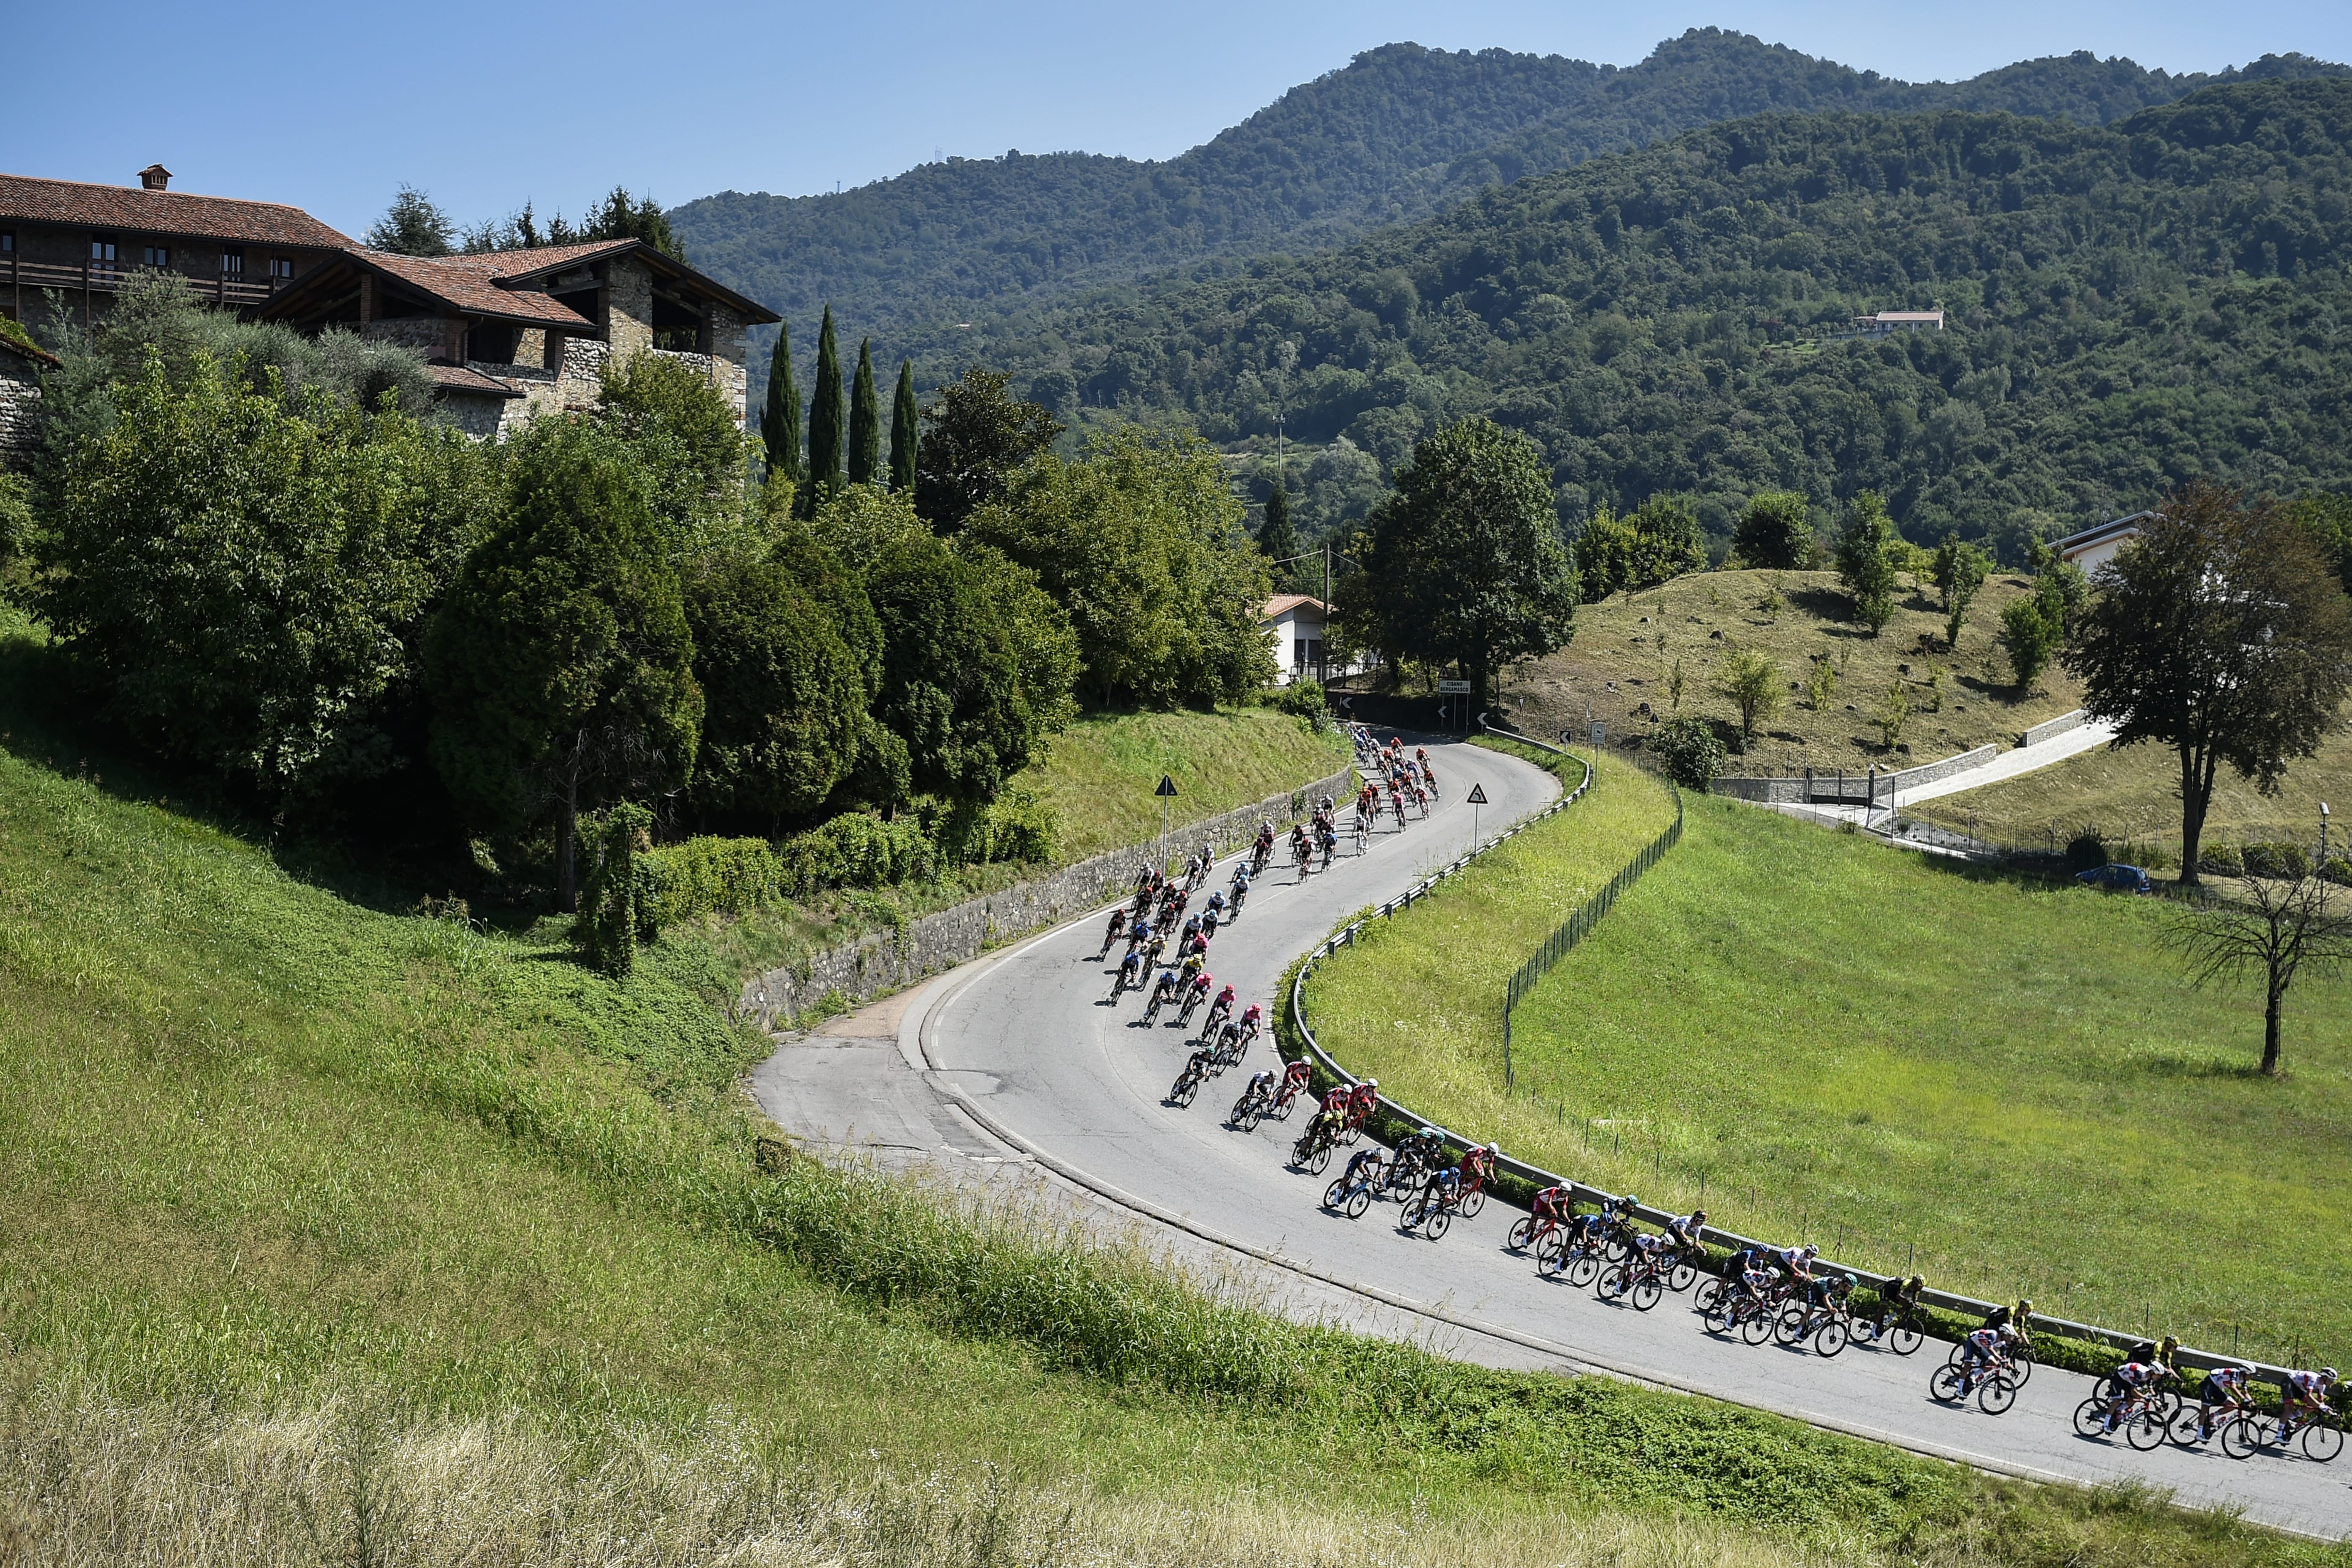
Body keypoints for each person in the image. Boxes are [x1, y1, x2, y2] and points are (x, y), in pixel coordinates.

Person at [2191, 1364, 2254, 1442]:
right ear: (2245, 1373)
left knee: (2233, 1406)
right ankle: (2199, 1434)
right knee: (2206, 1406)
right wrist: (2243, 1399)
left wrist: (2253, 1404)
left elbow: (2246, 1393)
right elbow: (2233, 1387)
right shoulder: (2234, 1373)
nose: (2252, 1377)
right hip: (2209, 1383)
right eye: (2251, 1375)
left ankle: (2212, 1416)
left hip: (2217, 1388)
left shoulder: (2244, 1380)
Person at [2278, 1367, 2338, 1445]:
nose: (2332, 1383)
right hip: (2289, 1382)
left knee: (2315, 1405)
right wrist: (2322, 1407)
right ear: (2325, 1378)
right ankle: (2278, 1436)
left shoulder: (2322, 1386)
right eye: (2331, 1380)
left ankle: (2290, 1418)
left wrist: (2330, 1412)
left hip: (2297, 1387)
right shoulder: (2313, 1378)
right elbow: (2309, 1395)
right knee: (2289, 1409)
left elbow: (2320, 1402)